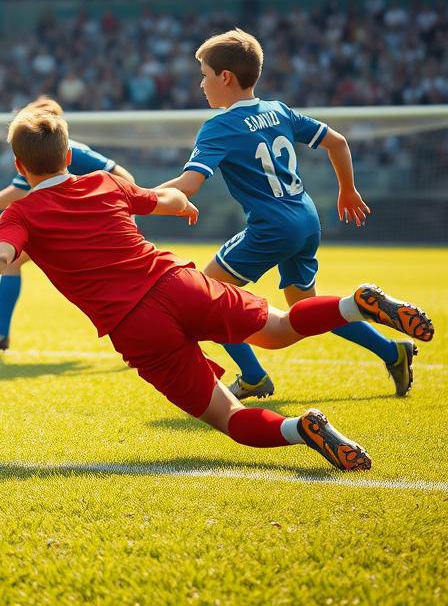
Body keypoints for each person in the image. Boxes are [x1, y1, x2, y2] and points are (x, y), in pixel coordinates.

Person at [0, 108, 433, 471]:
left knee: (230, 418)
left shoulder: (21, 212)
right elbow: (158, 198)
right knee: (278, 328)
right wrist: (181, 205)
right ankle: (354, 302)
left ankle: (302, 428)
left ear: (19, 167)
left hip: (138, 327)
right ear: (70, 154)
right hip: (178, 282)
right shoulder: (105, 183)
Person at [157, 29, 416, 400]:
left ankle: (252, 376)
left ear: (225, 77)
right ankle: (393, 352)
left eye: (204, 75)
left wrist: (134, 197)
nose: (201, 84)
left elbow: (189, 184)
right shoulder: (277, 110)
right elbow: (338, 142)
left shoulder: (219, 126)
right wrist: (347, 189)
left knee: (206, 299)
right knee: (306, 307)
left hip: (272, 228)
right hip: (306, 218)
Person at [0, 97, 136, 350]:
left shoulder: (72, 151)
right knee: (12, 262)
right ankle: (0, 333)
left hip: (91, 224)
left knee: (117, 279)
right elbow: (18, 191)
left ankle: (146, 329)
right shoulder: (35, 151)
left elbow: (123, 176)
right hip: (68, 223)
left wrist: (125, 214)